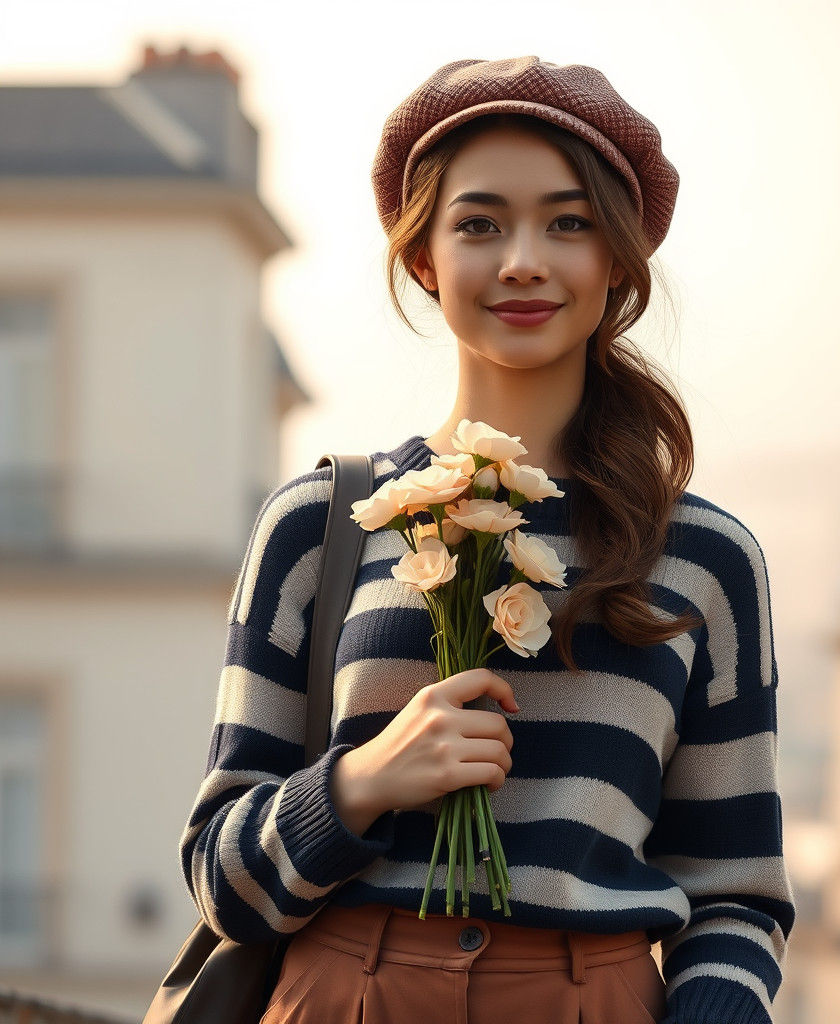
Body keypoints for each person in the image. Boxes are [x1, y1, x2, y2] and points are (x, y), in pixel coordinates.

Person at [178, 56, 797, 1024]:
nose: (521, 259)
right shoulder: (319, 520)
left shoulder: (707, 557)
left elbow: (737, 893)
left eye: (568, 222)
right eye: (478, 223)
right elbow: (223, 879)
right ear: (422, 258)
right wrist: (362, 780)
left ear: (616, 262)